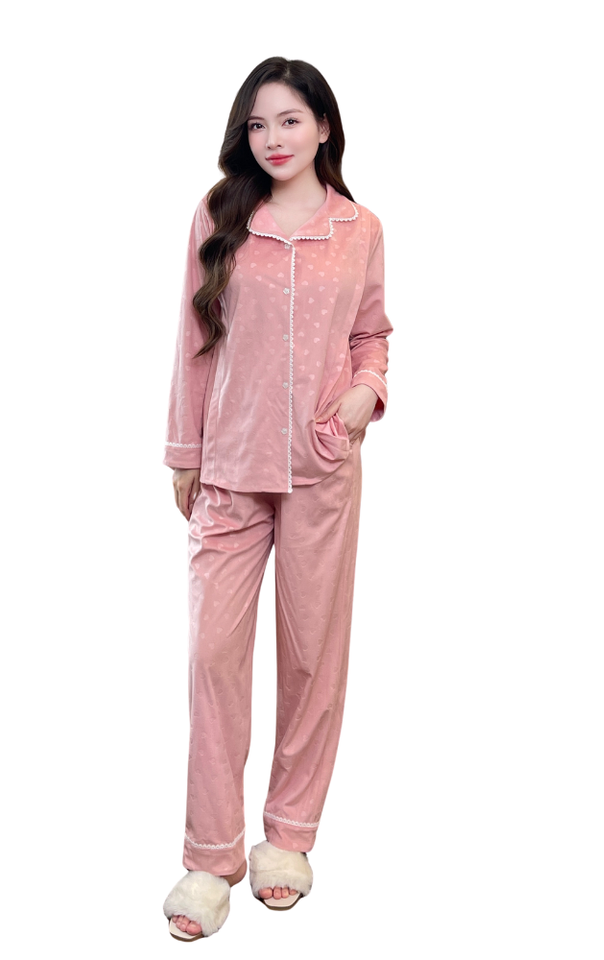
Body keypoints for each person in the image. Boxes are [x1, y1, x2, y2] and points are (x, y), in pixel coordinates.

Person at [161, 56, 392, 941]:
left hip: (322, 465)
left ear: (324, 126)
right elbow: (192, 337)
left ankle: (288, 839)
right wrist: (184, 451)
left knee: (311, 659)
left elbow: (372, 332)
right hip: (229, 465)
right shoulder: (219, 213)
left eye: (290, 121)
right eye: (258, 124)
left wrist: (364, 394)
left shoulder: (360, 228)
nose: (273, 139)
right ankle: (210, 856)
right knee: (213, 657)